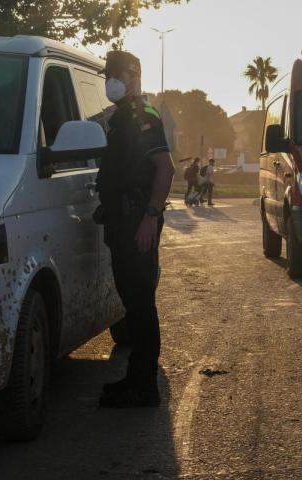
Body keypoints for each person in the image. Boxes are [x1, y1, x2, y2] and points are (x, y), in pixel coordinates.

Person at [95, 50, 176, 408]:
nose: (110, 80)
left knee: (141, 304)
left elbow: (166, 168)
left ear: (134, 76)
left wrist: (149, 218)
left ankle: (144, 387)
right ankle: (137, 378)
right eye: (107, 74)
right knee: (134, 303)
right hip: (122, 220)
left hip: (136, 222)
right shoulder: (122, 117)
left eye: (116, 73)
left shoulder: (144, 116)